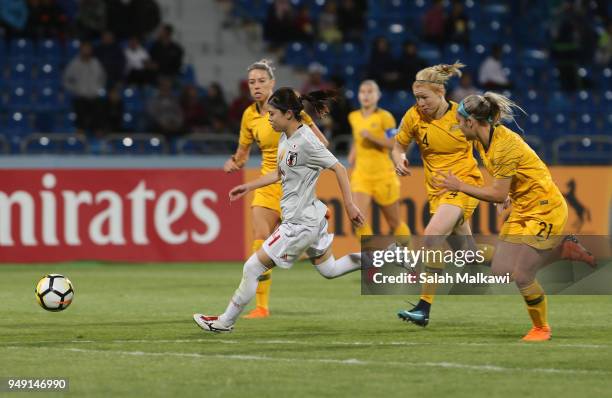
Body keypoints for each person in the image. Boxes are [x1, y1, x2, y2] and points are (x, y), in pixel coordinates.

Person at [193, 88, 365, 333]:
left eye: (272, 113)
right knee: (330, 270)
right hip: (311, 218)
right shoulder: (285, 138)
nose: (269, 118)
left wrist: (349, 204)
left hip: (299, 224)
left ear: (288, 114)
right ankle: (386, 257)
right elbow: (280, 173)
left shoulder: (306, 141)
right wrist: (248, 186)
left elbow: (338, 168)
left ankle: (225, 322)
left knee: (252, 267)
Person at [433, 92, 597, 341]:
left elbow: (497, 194)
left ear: (471, 122)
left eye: (459, 120)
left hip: (546, 208)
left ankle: (541, 328)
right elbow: (504, 184)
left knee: (522, 275)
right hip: (523, 206)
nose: (457, 125)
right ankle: (563, 250)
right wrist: (507, 194)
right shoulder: (481, 142)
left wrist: (461, 186)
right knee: (501, 271)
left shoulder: (504, 146)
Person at [222, 60, 329, 319]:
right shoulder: (249, 116)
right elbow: (243, 152)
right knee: (260, 236)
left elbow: (321, 143)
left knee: (327, 267)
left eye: (261, 81)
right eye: (252, 82)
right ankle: (261, 306)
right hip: (267, 184)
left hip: (294, 185)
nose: (256, 86)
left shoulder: (287, 106)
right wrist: (235, 162)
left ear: (272, 82)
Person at [391, 62, 486, 327]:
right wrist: (398, 159)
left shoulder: (462, 117)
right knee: (467, 256)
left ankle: (423, 307)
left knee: (432, 238)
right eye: (417, 98)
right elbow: (398, 146)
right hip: (437, 193)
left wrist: (504, 188)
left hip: (464, 185)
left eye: (425, 98)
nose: (420, 103)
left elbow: (487, 150)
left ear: (441, 92)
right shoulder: (413, 117)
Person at [348, 80, 411, 243]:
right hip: (361, 175)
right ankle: (370, 262)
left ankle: (411, 258)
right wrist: (353, 153)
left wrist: (372, 137)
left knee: (394, 222)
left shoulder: (385, 117)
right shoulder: (353, 116)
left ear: (378, 95)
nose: (366, 95)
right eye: (362, 91)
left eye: (370, 92)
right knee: (358, 219)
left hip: (384, 176)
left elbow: (394, 144)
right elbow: (357, 138)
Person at [62, 40, 106, 135]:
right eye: (84, 49)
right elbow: (66, 79)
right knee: (80, 114)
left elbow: (103, 77)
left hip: (94, 96)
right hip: (80, 96)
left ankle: (98, 136)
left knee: (99, 112)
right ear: (81, 50)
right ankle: (80, 136)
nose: (86, 51)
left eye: (88, 49)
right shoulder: (74, 64)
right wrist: (74, 89)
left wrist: (98, 88)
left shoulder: (96, 63)